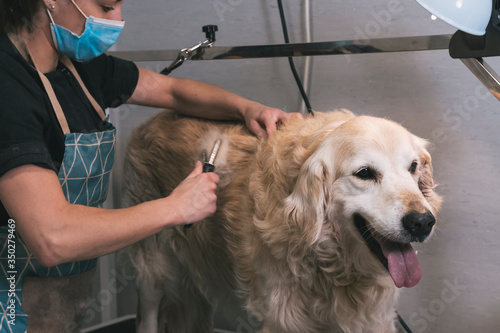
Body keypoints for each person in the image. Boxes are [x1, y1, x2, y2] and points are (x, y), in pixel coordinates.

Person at [0, 0, 302, 331]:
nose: (118, 20)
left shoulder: (79, 69)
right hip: (10, 301)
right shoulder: (9, 86)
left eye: (120, 7)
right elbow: (52, 238)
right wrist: (177, 207)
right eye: (105, 7)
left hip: (66, 295)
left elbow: (172, 91)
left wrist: (247, 109)